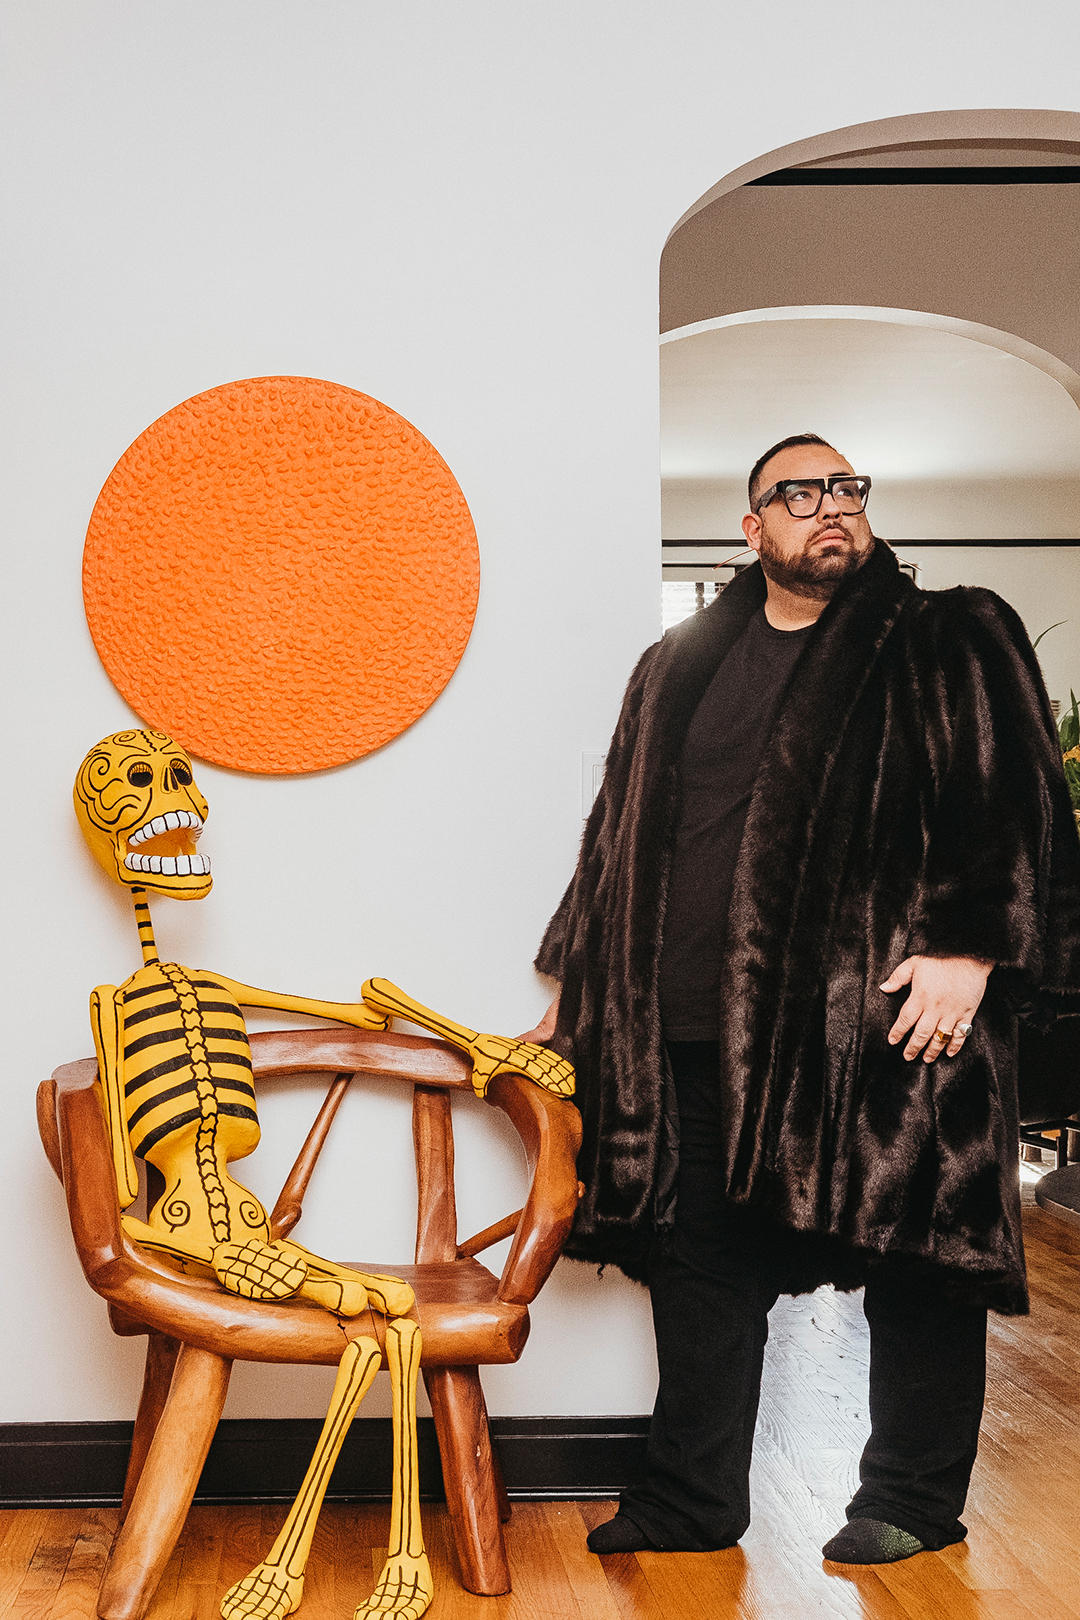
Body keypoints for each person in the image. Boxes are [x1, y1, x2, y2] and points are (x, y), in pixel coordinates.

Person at [523, 434, 1080, 1565]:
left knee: (919, 1252)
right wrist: (579, 995)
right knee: (699, 1258)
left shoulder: (946, 636)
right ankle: (692, 1498)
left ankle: (911, 1500)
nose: (831, 506)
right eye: (800, 492)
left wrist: (972, 947)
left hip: (889, 1014)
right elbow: (618, 837)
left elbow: (1015, 800)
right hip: (691, 1018)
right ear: (753, 527)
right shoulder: (675, 666)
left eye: (846, 489)